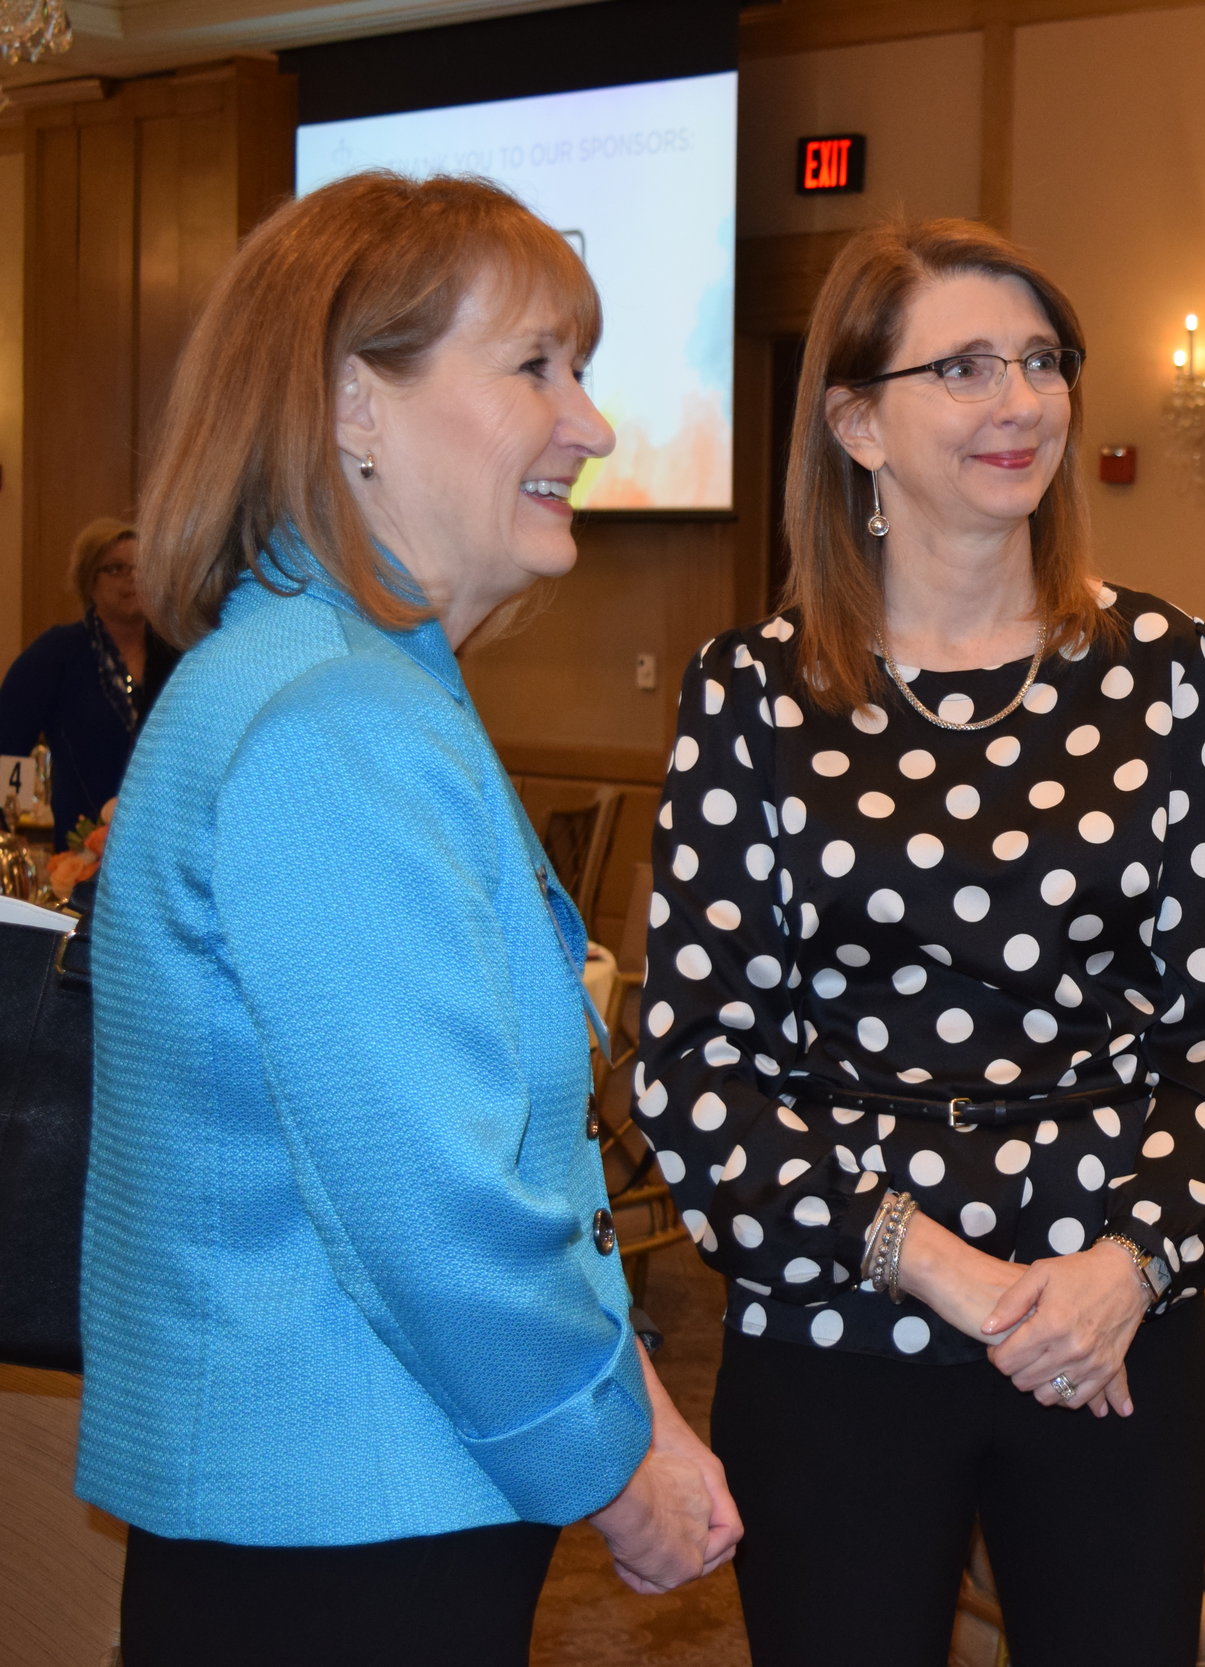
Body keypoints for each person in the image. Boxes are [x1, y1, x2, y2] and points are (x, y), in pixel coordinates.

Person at [82, 172, 738, 1667]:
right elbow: (432, 1203)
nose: (592, 422)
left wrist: (626, 1386)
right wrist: (616, 1455)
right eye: (534, 368)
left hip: (336, 1508)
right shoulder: (329, 719)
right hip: (342, 1531)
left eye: (581, 367)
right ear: (350, 407)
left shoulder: (332, 680)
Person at [640, 217, 1205, 1667]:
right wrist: (942, 1264)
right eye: (967, 367)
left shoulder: (1172, 677)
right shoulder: (751, 694)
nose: (1022, 402)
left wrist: (1128, 1260)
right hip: (838, 1325)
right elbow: (692, 1069)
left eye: (1042, 361)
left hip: (1110, 1325)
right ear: (856, 420)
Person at [0, 517, 181, 845]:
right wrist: (8, 830)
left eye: (140, 567)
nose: (132, 578)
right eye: (115, 569)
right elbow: (6, 746)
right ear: (88, 581)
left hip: (162, 841)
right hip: (81, 851)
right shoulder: (57, 653)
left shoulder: (176, 654)